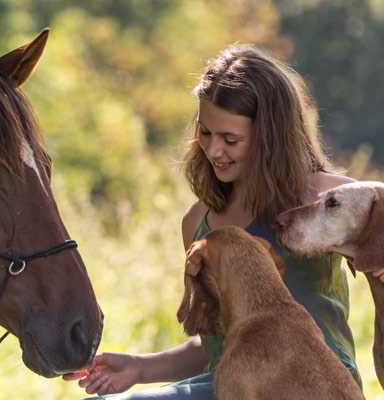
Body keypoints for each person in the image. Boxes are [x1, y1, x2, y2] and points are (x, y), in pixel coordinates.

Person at [64, 43, 379, 399]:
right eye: (206, 133)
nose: (214, 150)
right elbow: (220, 343)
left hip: (315, 386)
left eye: (231, 139)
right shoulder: (200, 222)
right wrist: (140, 367)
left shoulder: (332, 202)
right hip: (233, 385)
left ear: (270, 137)